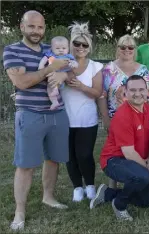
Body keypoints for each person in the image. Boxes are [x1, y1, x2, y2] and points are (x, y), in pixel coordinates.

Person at [3, 10, 74, 230]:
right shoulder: (12, 50)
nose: (36, 31)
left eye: (40, 27)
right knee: (25, 164)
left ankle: (48, 197)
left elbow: (71, 70)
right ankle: (20, 211)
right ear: (22, 27)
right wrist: (52, 69)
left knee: (53, 159)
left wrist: (63, 75)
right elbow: (22, 82)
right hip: (30, 113)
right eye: (31, 26)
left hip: (57, 113)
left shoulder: (51, 48)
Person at [90, 75, 149, 221]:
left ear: (147, 91)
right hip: (114, 160)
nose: (138, 93)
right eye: (133, 90)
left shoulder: (148, 109)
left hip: (134, 159)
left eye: (141, 89)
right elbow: (128, 153)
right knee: (142, 176)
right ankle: (119, 204)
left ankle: (108, 193)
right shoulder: (123, 115)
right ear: (125, 92)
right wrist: (148, 168)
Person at [99, 34, 149, 189]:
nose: (127, 50)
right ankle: (112, 186)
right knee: (116, 151)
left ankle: (132, 181)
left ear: (135, 50)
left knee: (134, 148)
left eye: (130, 47)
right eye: (123, 47)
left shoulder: (143, 70)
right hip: (116, 117)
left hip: (138, 117)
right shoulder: (109, 69)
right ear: (118, 49)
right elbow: (102, 96)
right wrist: (106, 119)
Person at [61, 22, 103, 202]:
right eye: (76, 44)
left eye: (84, 45)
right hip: (64, 118)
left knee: (84, 154)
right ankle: (77, 187)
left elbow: (97, 92)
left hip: (87, 119)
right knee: (69, 156)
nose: (80, 47)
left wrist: (81, 86)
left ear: (89, 48)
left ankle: (90, 185)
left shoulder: (95, 67)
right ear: (71, 45)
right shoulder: (61, 63)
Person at [38, 36, 78, 110]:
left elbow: (75, 63)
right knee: (49, 87)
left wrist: (73, 64)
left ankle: (56, 91)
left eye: (64, 48)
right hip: (53, 76)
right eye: (57, 48)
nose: (61, 50)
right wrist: (41, 65)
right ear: (52, 49)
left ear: (68, 48)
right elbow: (44, 59)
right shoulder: (51, 55)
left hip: (63, 79)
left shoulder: (68, 56)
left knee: (51, 85)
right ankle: (54, 102)